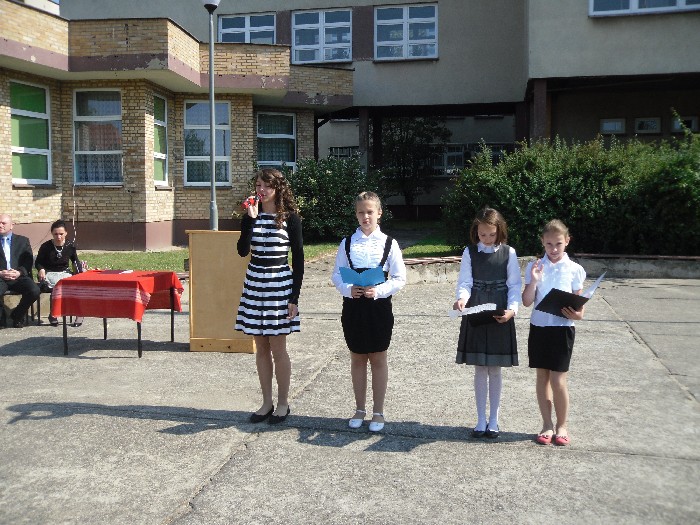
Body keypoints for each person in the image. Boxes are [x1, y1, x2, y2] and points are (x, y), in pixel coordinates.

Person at [331, 192, 406, 432]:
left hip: (378, 307)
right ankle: (359, 409)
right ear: (356, 214)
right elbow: (337, 274)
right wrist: (347, 289)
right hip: (354, 306)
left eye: (370, 212)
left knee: (378, 358)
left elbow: (399, 278)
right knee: (357, 357)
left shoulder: (389, 243)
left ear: (379, 213)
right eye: (361, 212)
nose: (366, 217)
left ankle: (378, 412)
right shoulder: (347, 243)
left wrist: (380, 290)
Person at [235, 168, 304, 425]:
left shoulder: (291, 218)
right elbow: (242, 251)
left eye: (266, 186)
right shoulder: (251, 216)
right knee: (261, 347)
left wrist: (294, 298)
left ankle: (283, 403)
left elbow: (299, 259)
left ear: (278, 189)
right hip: (255, 284)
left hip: (279, 285)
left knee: (278, 347)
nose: (261, 190)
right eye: (258, 185)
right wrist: (250, 220)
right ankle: (266, 402)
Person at [454, 207, 521, 439]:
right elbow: (465, 282)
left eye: (492, 234)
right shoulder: (469, 252)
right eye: (482, 234)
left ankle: (494, 420)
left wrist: (512, 310)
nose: (487, 238)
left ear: (499, 230)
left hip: (500, 311)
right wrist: (462, 299)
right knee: (480, 367)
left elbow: (514, 285)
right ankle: (480, 420)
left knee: (495, 368)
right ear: (476, 231)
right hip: (476, 310)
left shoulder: (509, 253)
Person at [522, 219, 586, 447]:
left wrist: (576, 314)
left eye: (558, 243)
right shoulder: (535, 266)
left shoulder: (575, 269)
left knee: (558, 380)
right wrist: (534, 281)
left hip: (562, 329)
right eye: (549, 244)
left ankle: (562, 426)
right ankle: (547, 424)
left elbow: (580, 310)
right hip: (539, 328)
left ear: (567, 241)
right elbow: (526, 301)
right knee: (542, 377)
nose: (554, 249)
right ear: (542, 242)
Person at [35, 220, 84, 327]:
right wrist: (41, 269)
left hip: (64, 273)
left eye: (61, 234)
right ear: (52, 234)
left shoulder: (70, 245)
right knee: (56, 288)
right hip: (49, 273)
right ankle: (53, 313)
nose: (58, 237)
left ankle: (79, 313)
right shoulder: (46, 246)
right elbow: (38, 262)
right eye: (56, 234)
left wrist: (80, 271)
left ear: (66, 233)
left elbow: (75, 261)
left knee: (75, 287)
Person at [0, 214, 40, 328]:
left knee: (34, 291)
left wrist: (19, 272)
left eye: (3, 223)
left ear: (11, 225)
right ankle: (1, 317)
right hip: (1, 277)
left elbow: (28, 260)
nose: (0, 225)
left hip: (18, 276)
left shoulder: (22, 240)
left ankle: (17, 315)